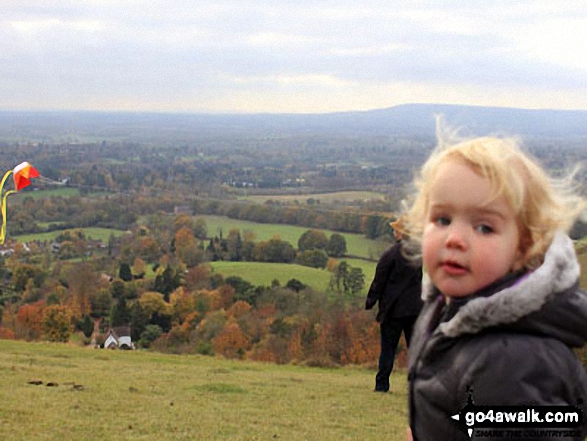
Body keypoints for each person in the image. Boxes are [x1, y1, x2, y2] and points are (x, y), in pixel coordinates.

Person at [404, 133, 587, 440]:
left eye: (484, 227)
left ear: (523, 247)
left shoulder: (514, 363)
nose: (454, 238)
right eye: (442, 219)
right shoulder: (445, 311)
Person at [365, 216, 423, 393]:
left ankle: (382, 385)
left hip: (393, 310)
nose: (393, 232)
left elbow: (379, 281)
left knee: (388, 349)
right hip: (414, 309)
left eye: (395, 230)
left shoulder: (389, 254)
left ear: (400, 233)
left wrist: (370, 301)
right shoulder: (417, 254)